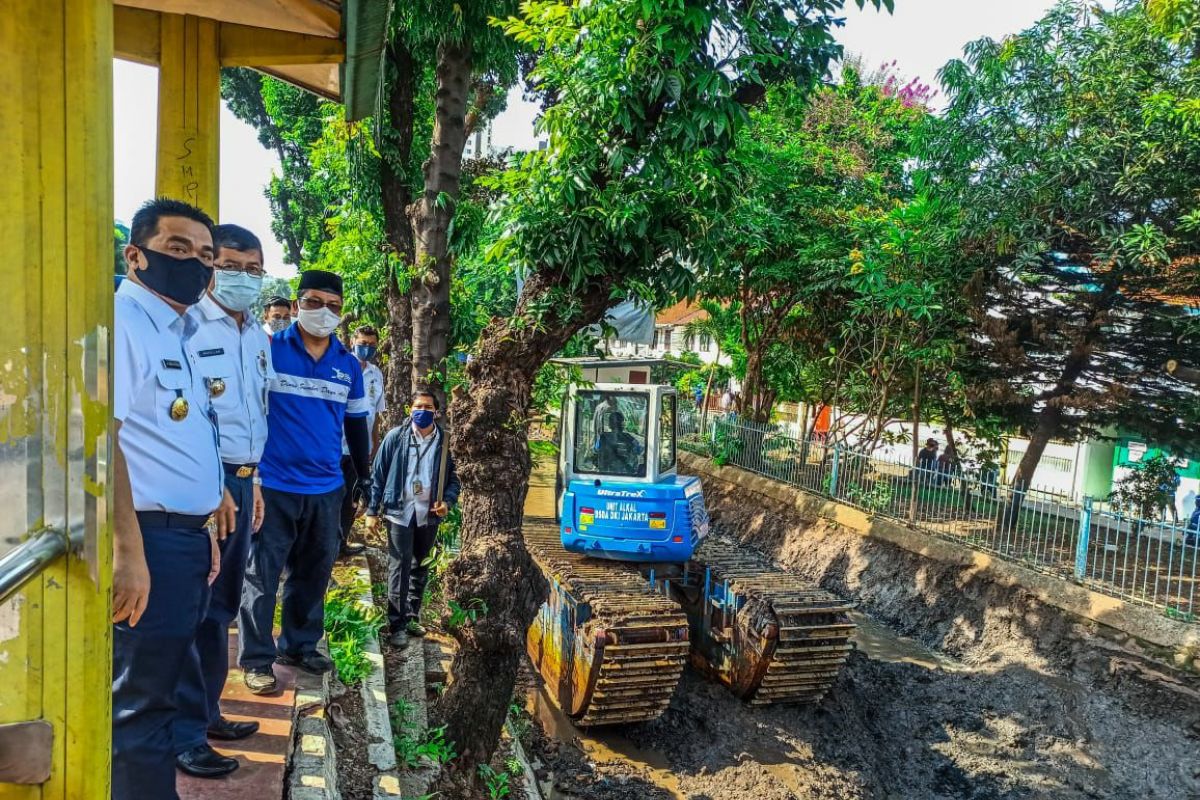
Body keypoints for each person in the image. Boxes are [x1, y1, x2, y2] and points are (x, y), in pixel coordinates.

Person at [111, 198, 237, 800]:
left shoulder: (177, 329)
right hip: (149, 541)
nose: (195, 264)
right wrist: (128, 550)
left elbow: (177, 431)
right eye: (178, 249)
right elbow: (101, 442)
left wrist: (211, 508)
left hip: (181, 537)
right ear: (136, 255)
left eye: (205, 255)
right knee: (140, 703)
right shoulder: (127, 323)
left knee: (156, 691)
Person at [237, 270, 372, 695]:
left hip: (325, 486)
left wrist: (364, 479)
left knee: (313, 573)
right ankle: (257, 659)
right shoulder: (267, 350)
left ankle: (298, 645)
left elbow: (356, 426)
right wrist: (250, 476)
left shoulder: (348, 365)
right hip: (274, 484)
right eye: (314, 302)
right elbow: (247, 412)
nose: (323, 312)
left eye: (333, 305)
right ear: (297, 306)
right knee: (262, 574)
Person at [172, 224, 272, 778]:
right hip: (204, 488)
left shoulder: (256, 334)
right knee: (193, 612)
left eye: (253, 270)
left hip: (242, 483)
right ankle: (185, 735)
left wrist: (250, 483)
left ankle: (209, 713)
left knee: (222, 611)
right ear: (211, 267)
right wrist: (212, 494)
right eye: (232, 266)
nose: (243, 278)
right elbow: (188, 424)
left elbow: (252, 417)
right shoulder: (186, 327)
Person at [364, 390, 460, 648]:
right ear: (410, 409)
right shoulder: (396, 437)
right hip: (399, 511)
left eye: (428, 407)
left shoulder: (446, 442)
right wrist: (372, 511)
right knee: (400, 567)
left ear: (436, 412)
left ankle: (411, 615)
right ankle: (396, 625)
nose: (423, 410)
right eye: (418, 406)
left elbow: (454, 479)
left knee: (420, 565)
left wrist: (447, 502)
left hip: (428, 513)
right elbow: (378, 474)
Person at [338, 325, 387, 557]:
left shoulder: (376, 374)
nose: (366, 348)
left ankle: (340, 543)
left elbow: (376, 414)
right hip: (334, 445)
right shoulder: (340, 366)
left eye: (371, 345)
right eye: (362, 343)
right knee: (330, 496)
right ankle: (320, 545)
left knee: (351, 498)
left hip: (359, 450)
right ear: (353, 342)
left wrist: (374, 445)